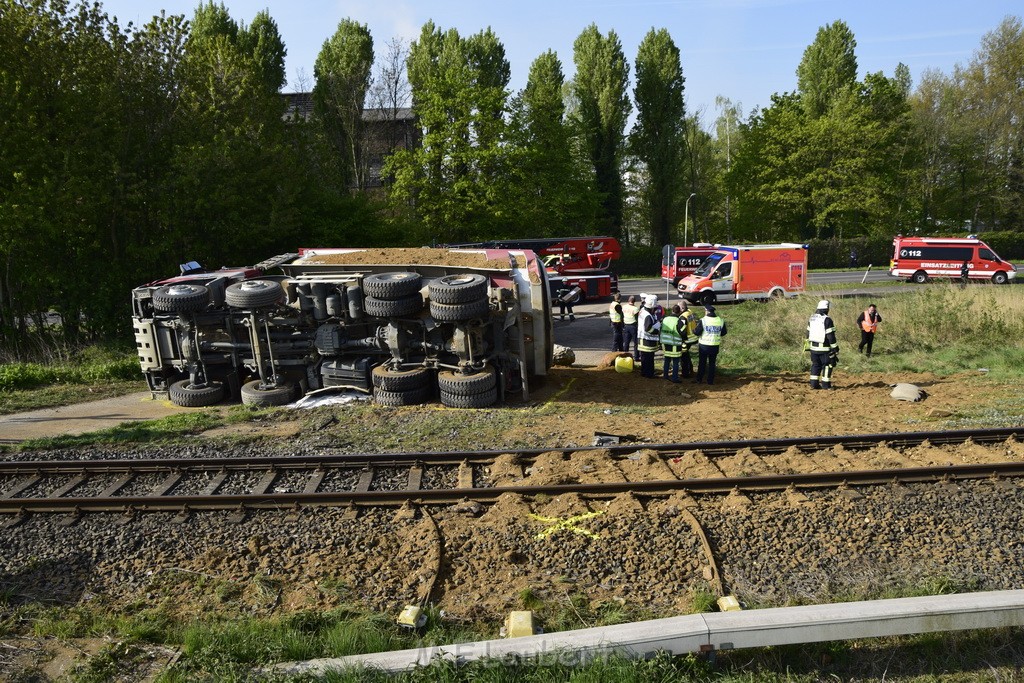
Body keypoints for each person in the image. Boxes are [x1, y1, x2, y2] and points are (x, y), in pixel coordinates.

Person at [807, 299, 839, 389]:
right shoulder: (827, 320)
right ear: (826, 309)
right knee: (827, 365)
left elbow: (808, 333)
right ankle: (826, 385)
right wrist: (835, 348)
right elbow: (831, 336)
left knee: (815, 365)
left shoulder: (812, 318)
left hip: (813, 348)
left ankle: (814, 384)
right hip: (824, 349)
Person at [693, 304, 726, 385]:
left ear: (707, 311)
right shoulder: (720, 320)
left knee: (702, 363)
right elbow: (724, 332)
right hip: (715, 345)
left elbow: (697, 332)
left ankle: (699, 379)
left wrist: (693, 330)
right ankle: (710, 381)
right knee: (712, 363)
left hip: (704, 346)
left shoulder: (703, 320)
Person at [637, 294, 662, 378]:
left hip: (642, 339)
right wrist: (656, 331)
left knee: (644, 358)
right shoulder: (648, 315)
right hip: (648, 341)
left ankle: (644, 372)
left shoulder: (643, 310)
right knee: (649, 359)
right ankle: (649, 374)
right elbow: (648, 328)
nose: (655, 309)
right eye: (655, 308)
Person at [659, 305, 684, 383]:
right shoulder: (679, 320)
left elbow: (660, 328)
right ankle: (675, 378)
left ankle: (665, 376)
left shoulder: (665, 319)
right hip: (675, 344)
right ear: (679, 312)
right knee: (675, 362)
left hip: (666, 343)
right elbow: (682, 332)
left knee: (667, 360)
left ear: (672, 311)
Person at [678, 300, 698, 378]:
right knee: (687, 355)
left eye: (678, 307)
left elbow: (682, 330)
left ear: (682, 308)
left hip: (686, 339)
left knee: (684, 357)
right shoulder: (690, 312)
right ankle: (691, 369)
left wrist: (681, 339)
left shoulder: (683, 317)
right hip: (693, 337)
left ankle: (685, 373)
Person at [622, 295, 641, 360]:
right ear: (634, 301)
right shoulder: (635, 309)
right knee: (636, 342)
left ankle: (625, 355)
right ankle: (636, 357)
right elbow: (637, 318)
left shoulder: (624, 307)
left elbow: (622, 315)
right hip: (633, 326)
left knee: (626, 342)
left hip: (626, 326)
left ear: (628, 300)